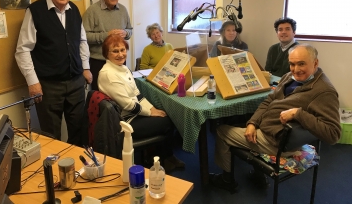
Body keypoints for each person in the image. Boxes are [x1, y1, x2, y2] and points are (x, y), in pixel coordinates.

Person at [209, 44, 341, 192]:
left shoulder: (324, 92)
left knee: (221, 130)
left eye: (301, 64)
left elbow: (333, 134)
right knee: (244, 121)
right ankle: (258, 175)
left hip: (277, 141)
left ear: (315, 63)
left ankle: (227, 180)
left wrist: (298, 113)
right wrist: (252, 123)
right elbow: (269, 100)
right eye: (292, 64)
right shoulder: (289, 77)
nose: (296, 69)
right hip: (269, 129)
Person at [15, 0, 92, 146]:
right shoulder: (35, 11)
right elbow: (23, 50)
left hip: (75, 82)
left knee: (79, 130)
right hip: (49, 86)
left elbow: (81, 41)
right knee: (51, 135)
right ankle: (55, 171)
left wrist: (85, 67)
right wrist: (32, 81)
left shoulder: (74, 10)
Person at [98, 34, 184, 172]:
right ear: (106, 54)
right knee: (168, 121)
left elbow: (137, 94)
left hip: (133, 114)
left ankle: (161, 156)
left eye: (122, 50)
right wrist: (150, 113)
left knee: (164, 114)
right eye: (115, 51)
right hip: (125, 122)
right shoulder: (108, 74)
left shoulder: (123, 68)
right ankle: (163, 158)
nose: (120, 54)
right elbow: (129, 105)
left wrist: (153, 109)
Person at [82, 0, 133, 90]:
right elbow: (83, 36)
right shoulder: (92, 11)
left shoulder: (123, 10)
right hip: (99, 62)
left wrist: (126, 33)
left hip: (119, 61)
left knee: (122, 93)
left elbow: (130, 30)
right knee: (102, 99)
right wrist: (106, 35)